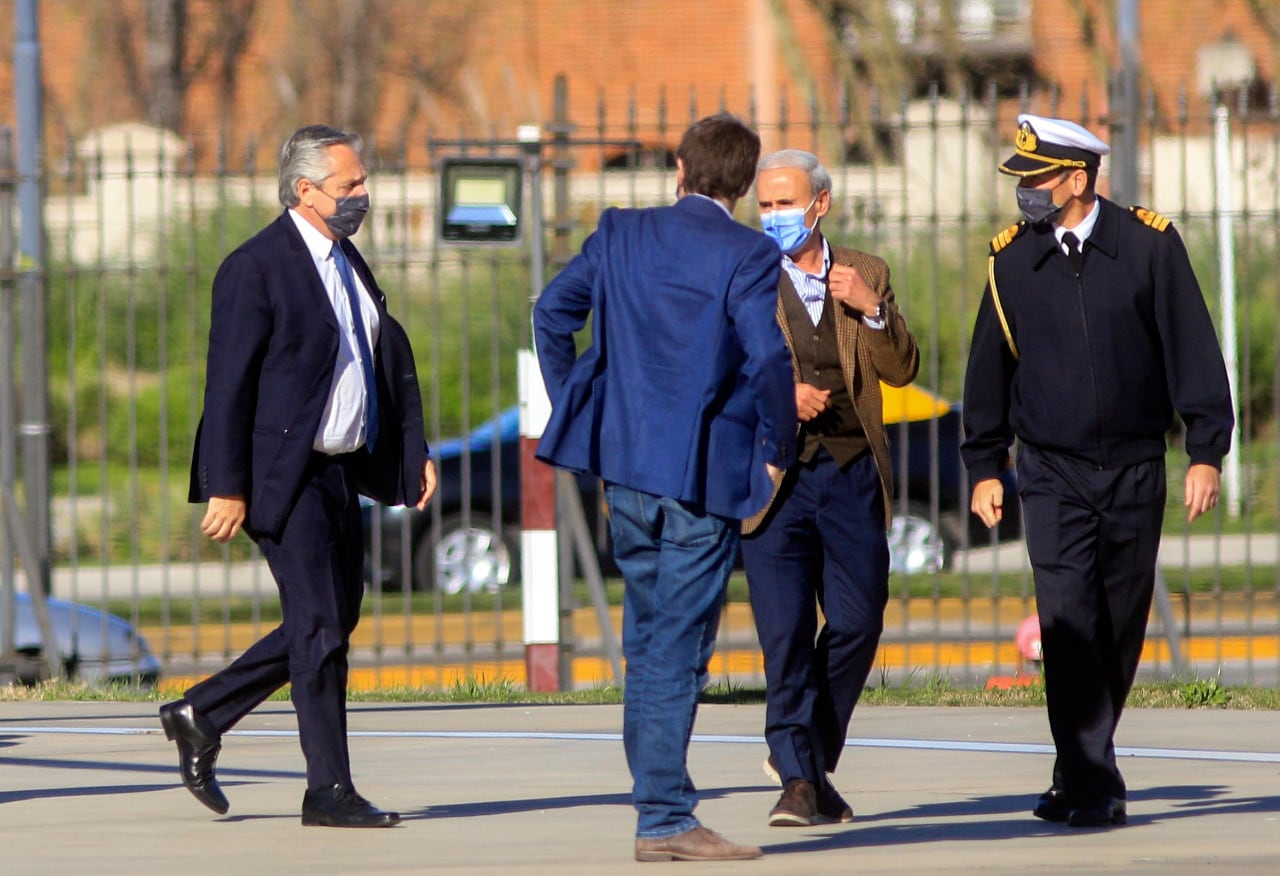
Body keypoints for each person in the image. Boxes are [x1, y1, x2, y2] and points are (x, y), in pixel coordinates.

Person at [533, 113, 796, 862]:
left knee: (651, 638)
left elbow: (553, 314)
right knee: (673, 647)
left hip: (626, 470)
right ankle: (664, 816)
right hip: (700, 476)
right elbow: (771, 361)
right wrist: (777, 451)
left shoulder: (620, 231)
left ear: (680, 167)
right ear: (743, 188)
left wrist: (580, 407)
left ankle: (660, 808)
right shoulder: (747, 253)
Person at [961, 114, 1234, 828]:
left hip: (1136, 467)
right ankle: (1090, 781)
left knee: (1116, 622)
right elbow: (987, 372)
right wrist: (985, 464)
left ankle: (1079, 764)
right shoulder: (1012, 261)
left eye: (1038, 179)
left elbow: (1193, 350)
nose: (1026, 193)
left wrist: (1206, 450)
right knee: (1068, 619)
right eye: (1021, 180)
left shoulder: (1148, 246)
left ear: (1078, 180)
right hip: (1050, 470)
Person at [160, 124, 437, 828]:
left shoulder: (347, 262)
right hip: (281, 475)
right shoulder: (255, 267)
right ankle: (328, 790)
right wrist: (227, 484)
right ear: (304, 190)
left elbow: (381, 360)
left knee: (332, 621)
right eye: (349, 187)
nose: (362, 196)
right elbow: (228, 386)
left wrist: (413, 453)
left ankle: (204, 712)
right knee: (318, 625)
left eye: (363, 183)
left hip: (340, 472)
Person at [743, 149, 919, 827]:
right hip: (773, 478)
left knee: (857, 618)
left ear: (820, 205)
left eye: (786, 203)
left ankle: (810, 758)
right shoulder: (747, 275)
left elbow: (902, 369)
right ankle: (796, 779)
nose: (774, 216)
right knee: (784, 634)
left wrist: (873, 311)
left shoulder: (865, 272)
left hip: (850, 473)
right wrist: (780, 395)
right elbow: (723, 370)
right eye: (765, 205)